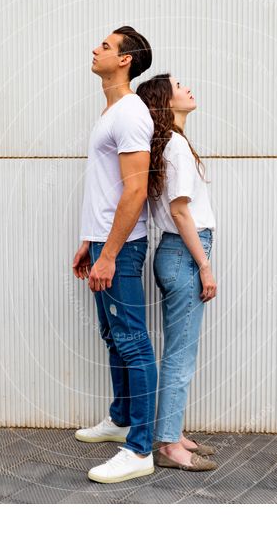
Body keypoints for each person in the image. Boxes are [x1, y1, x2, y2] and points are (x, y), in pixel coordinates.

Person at [71, 26, 157, 483]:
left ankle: (139, 448)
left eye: (104, 45)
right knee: (114, 335)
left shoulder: (130, 113)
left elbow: (136, 190)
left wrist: (111, 254)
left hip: (120, 246)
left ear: (125, 60)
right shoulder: (110, 112)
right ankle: (121, 418)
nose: (95, 48)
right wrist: (90, 240)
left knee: (133, 341)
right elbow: (107, 191)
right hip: (105, 241)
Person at [136, 73, 218, 471]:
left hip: (173, 253)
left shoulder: (166, 146)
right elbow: (180, 210)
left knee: (179, 351)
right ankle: (168, 445)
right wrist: (204, 264)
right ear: (167, 103)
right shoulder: (176, 148)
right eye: (179, 87)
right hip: (185, 254)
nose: (188, 88)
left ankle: (173, 430)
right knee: (181, 355)